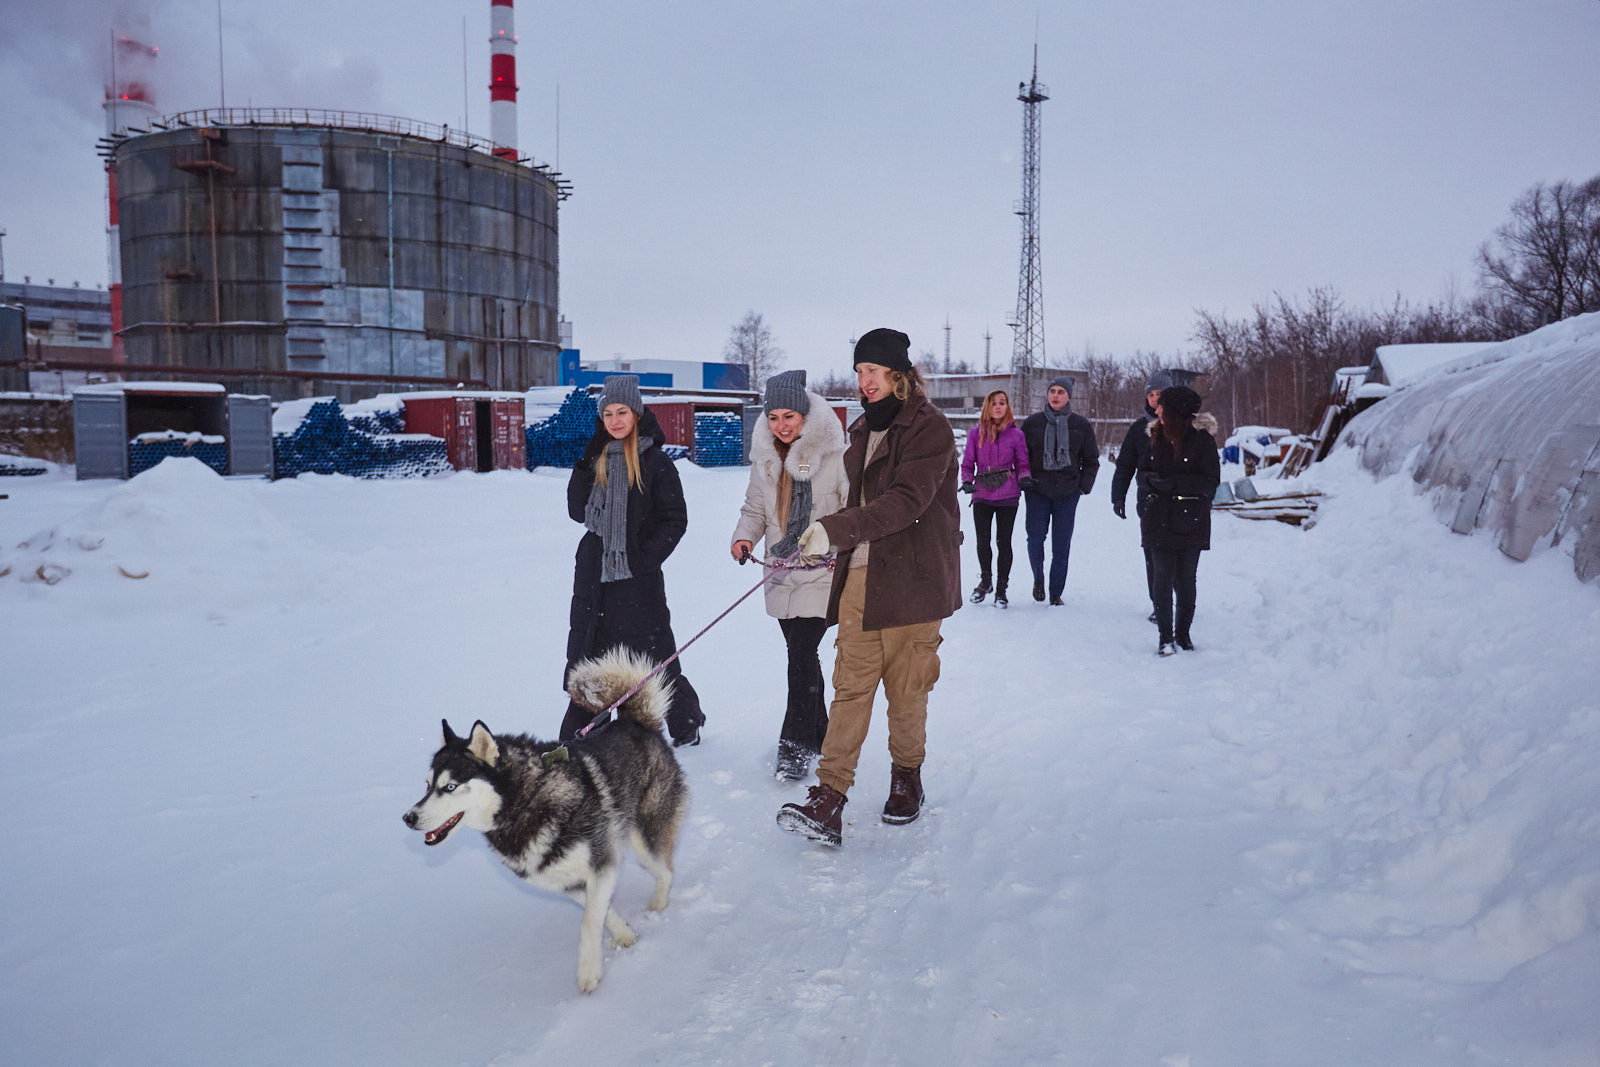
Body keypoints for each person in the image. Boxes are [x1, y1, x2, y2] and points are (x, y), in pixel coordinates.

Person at [775, 328, 962, 846]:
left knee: (907, 690)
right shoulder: (860, 431)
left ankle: (907, 777)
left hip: (915, 583)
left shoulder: (929, 429)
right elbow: (849, 499)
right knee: (850, 689)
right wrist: (812, 531)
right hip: (860, 579)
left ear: (899, 375)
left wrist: (835, 531)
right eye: (859, 372)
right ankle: (829, 797)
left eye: (874, 372)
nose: (864, 381)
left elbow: (905, 501)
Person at [561, 375, 706, 745]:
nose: (614, 421)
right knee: (591, 656)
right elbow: (577, 511)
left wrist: (643, 557)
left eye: (621, 412)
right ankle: (577, 740)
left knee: (654, 661)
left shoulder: (655, 462)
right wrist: (586, 460)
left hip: (637, 580)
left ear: (636, 413)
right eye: (607, 413)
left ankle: (686, 721)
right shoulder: (597, 458)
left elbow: (675, 519)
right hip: (595, 578)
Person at [730, 369, 849, 781]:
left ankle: (795, 745)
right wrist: (743, 539)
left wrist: (836, 545)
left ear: (805, 416)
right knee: (802, 657)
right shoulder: (765, 459)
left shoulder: (834, 456)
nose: (781, 426)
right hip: (781, 572)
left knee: (800, 656)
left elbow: (853, 513)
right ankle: (819, 732)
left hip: (821, 571)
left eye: (789, 417)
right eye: (774, 417)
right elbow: (755, 510)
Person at [1139, 385, 1221, 656]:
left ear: (1175, 410)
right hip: (1159, 518)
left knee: (1186, 579)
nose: (1157, 409)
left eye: (1162, 405)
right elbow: (1143, 473)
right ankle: (1165, 637)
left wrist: (1174, 484)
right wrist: (1152, 483)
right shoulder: (1154, 436)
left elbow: (1211, 482)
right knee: (1161, 578)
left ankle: (1183, 635)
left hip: (1191, 519)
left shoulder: (1203, 441)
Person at [1019, 375, 1099, 605]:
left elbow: (1091, 459)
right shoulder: (1032, 423)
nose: (1055, 395)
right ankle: (1038, 579)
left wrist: (1083, 486)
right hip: (1037, 491)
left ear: (1068, 396)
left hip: (1067, 492)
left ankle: (1055, 593)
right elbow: (1022, 457)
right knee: (1035, 539)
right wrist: (1024, 479)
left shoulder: (1080, 425)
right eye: (1052, 391)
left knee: (1061, 545)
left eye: (1060, 392)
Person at [1110, 370, 1175, 623]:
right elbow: (1125, 464)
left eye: (1161, 394)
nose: (1156, 398)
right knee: (1152, 553)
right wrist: (1118, 496)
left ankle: (1178, 599)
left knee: (1178, 554)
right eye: (1151, 394)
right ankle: (1159, 604)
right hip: (1148, 500)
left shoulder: (1185, 425)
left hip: (1180, 501)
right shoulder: (1139, 429)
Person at [959, 389, 1031, 608]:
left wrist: (1024, 478)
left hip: (1008, 494)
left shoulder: (1016, 435)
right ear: (987, 407)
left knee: (1004, 541)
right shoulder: (975, 433)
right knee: (983, 540)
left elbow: (1022, 464)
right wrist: (967, 480)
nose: (998, 407)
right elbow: (968, 462)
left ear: (1007, 407)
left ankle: (1001, 589)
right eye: (994, 403)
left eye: (1002, 403)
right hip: (982, 493)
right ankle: (986, 581)